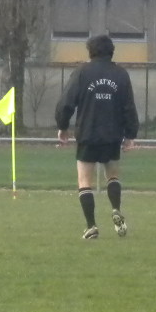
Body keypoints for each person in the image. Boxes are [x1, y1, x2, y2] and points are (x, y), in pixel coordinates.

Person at [54, 34, 140, 240]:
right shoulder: (121, 74)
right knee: (113, 176)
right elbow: (129, 107)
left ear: (90, 51)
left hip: (88, 133)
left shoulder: (82, 72)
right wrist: (130, 134)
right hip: (112, 135)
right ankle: (116, 209)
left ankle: (91, 227)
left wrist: (63, 126)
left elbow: (66, 102)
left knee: (84, 180)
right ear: (111, 52)